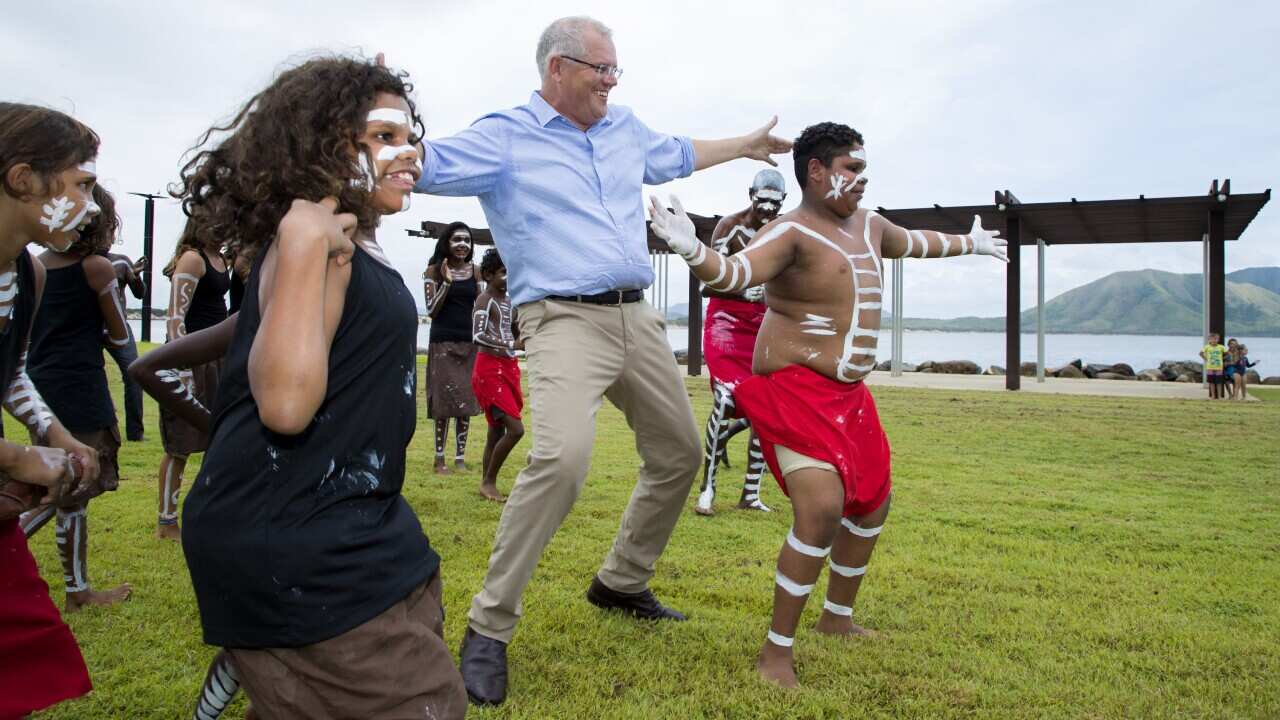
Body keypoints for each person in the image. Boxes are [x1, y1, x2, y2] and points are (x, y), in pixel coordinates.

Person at [409, 15, 791, 706]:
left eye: (616, 70)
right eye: (600, 70)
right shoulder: (505, 136)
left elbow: (678, 153)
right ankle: (488, 628)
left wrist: (748, 146)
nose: (612, 82)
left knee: (679, 452)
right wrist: (377, 122)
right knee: (561, 459)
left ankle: (620, 581)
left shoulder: (623, 129)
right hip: (558, 318)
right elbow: (425, 164)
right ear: (557, 69)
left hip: (635, 318)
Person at [650, 121, 1009, 687]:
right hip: (795, 389)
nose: (861, 181)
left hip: (851, 396)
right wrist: (692, 247)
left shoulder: (871, 227)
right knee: (819, 511)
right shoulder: (790, 233)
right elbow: (734, 274)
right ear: (816, 172)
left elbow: (918, 243)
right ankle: (775, 653)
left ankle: (838, 618)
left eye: (863, 170)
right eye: (852, 169)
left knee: (871, 506)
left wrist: (972, 243)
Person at [172, 56, 465, 719]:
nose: (409, 151)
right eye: (385, 135)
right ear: (326, 141)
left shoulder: (354, 245)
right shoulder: (317, 243)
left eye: (411, 135)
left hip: (361, 523)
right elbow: (283, 406)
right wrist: (304, 245)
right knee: (423, 703)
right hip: (295, 541)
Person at [0, 100, 103, 720]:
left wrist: (57, 435)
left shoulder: (27, 273)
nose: (91, 205)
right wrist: (21, 458)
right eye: (82, 183)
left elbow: (10, 375)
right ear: (23, 178)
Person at [20, 183, 133, 613]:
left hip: (41, 387)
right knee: (70, 488)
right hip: (80, 388)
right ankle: (77, 592)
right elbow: (121, 335)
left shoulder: (35, 265)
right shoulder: (97, 268)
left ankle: (78, 590)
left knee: (63, 486)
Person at [695, 168, 787, 516]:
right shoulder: (729, 227)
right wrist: (744, 289)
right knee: (725, 398)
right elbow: (707, 283)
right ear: (750, 193)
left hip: (764, 325)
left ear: (783, 203)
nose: (766, 210)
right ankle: (708, 487)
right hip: (725, 323)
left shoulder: (782, 230)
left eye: (774, 204)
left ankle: (751, 493)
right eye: (761, 201)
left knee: (764, 403)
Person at [153, 220, 229, 539]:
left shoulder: (223, 258)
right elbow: (175, 318)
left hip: (220, 360)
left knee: (219, 441)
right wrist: (183, 371)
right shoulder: (192, 258)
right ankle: (166, 522)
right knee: (181, 445)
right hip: (191, 361)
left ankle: (212, 516)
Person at [422, 223, 481, 474]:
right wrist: (446, 283)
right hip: (443, 342)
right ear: (446, 242)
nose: (462, 245)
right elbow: (431, 310)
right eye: (457, 239)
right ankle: (439, 459)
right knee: (444, 404)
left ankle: (459, 458)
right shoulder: (434, 271)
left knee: (465, 403)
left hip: (470, 343)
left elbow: (480, 307)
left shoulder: (477, 273)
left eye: (467, 240)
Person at [470, 248, 524, 503]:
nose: (508, 277)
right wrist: (512, 346)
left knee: (496, 429)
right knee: (515, 430)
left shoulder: (509, 301)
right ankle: (489, 481)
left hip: (509, 368)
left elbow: (514, 332)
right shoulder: (484, 299)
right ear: (489, 275)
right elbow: (478, 335)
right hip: (489, 367)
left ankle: (486, 483)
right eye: (504, 272)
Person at [103, 248, 147, 440]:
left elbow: (140, 293)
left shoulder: (121, 262)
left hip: (119, 327)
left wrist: (135, 277)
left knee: (134, 375)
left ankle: (135, 433)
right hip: (88, 328)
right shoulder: (81, 261)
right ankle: (101, 429)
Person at [1200, 333, 1227, 400]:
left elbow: (1227, 354)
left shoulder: (1221, 347)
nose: (1214, 340)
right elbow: (1201, 353)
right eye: (1212, 339)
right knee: (1211, 382)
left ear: (1218, 340)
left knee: (1219, 382)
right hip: (1210, 367)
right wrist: (1206, 359)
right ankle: (1213, 396)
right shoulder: (1207, 347)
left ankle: (1219, 396)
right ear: (1209, 340)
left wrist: (1223, 359)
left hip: (1219, 367)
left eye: (1216, 339)